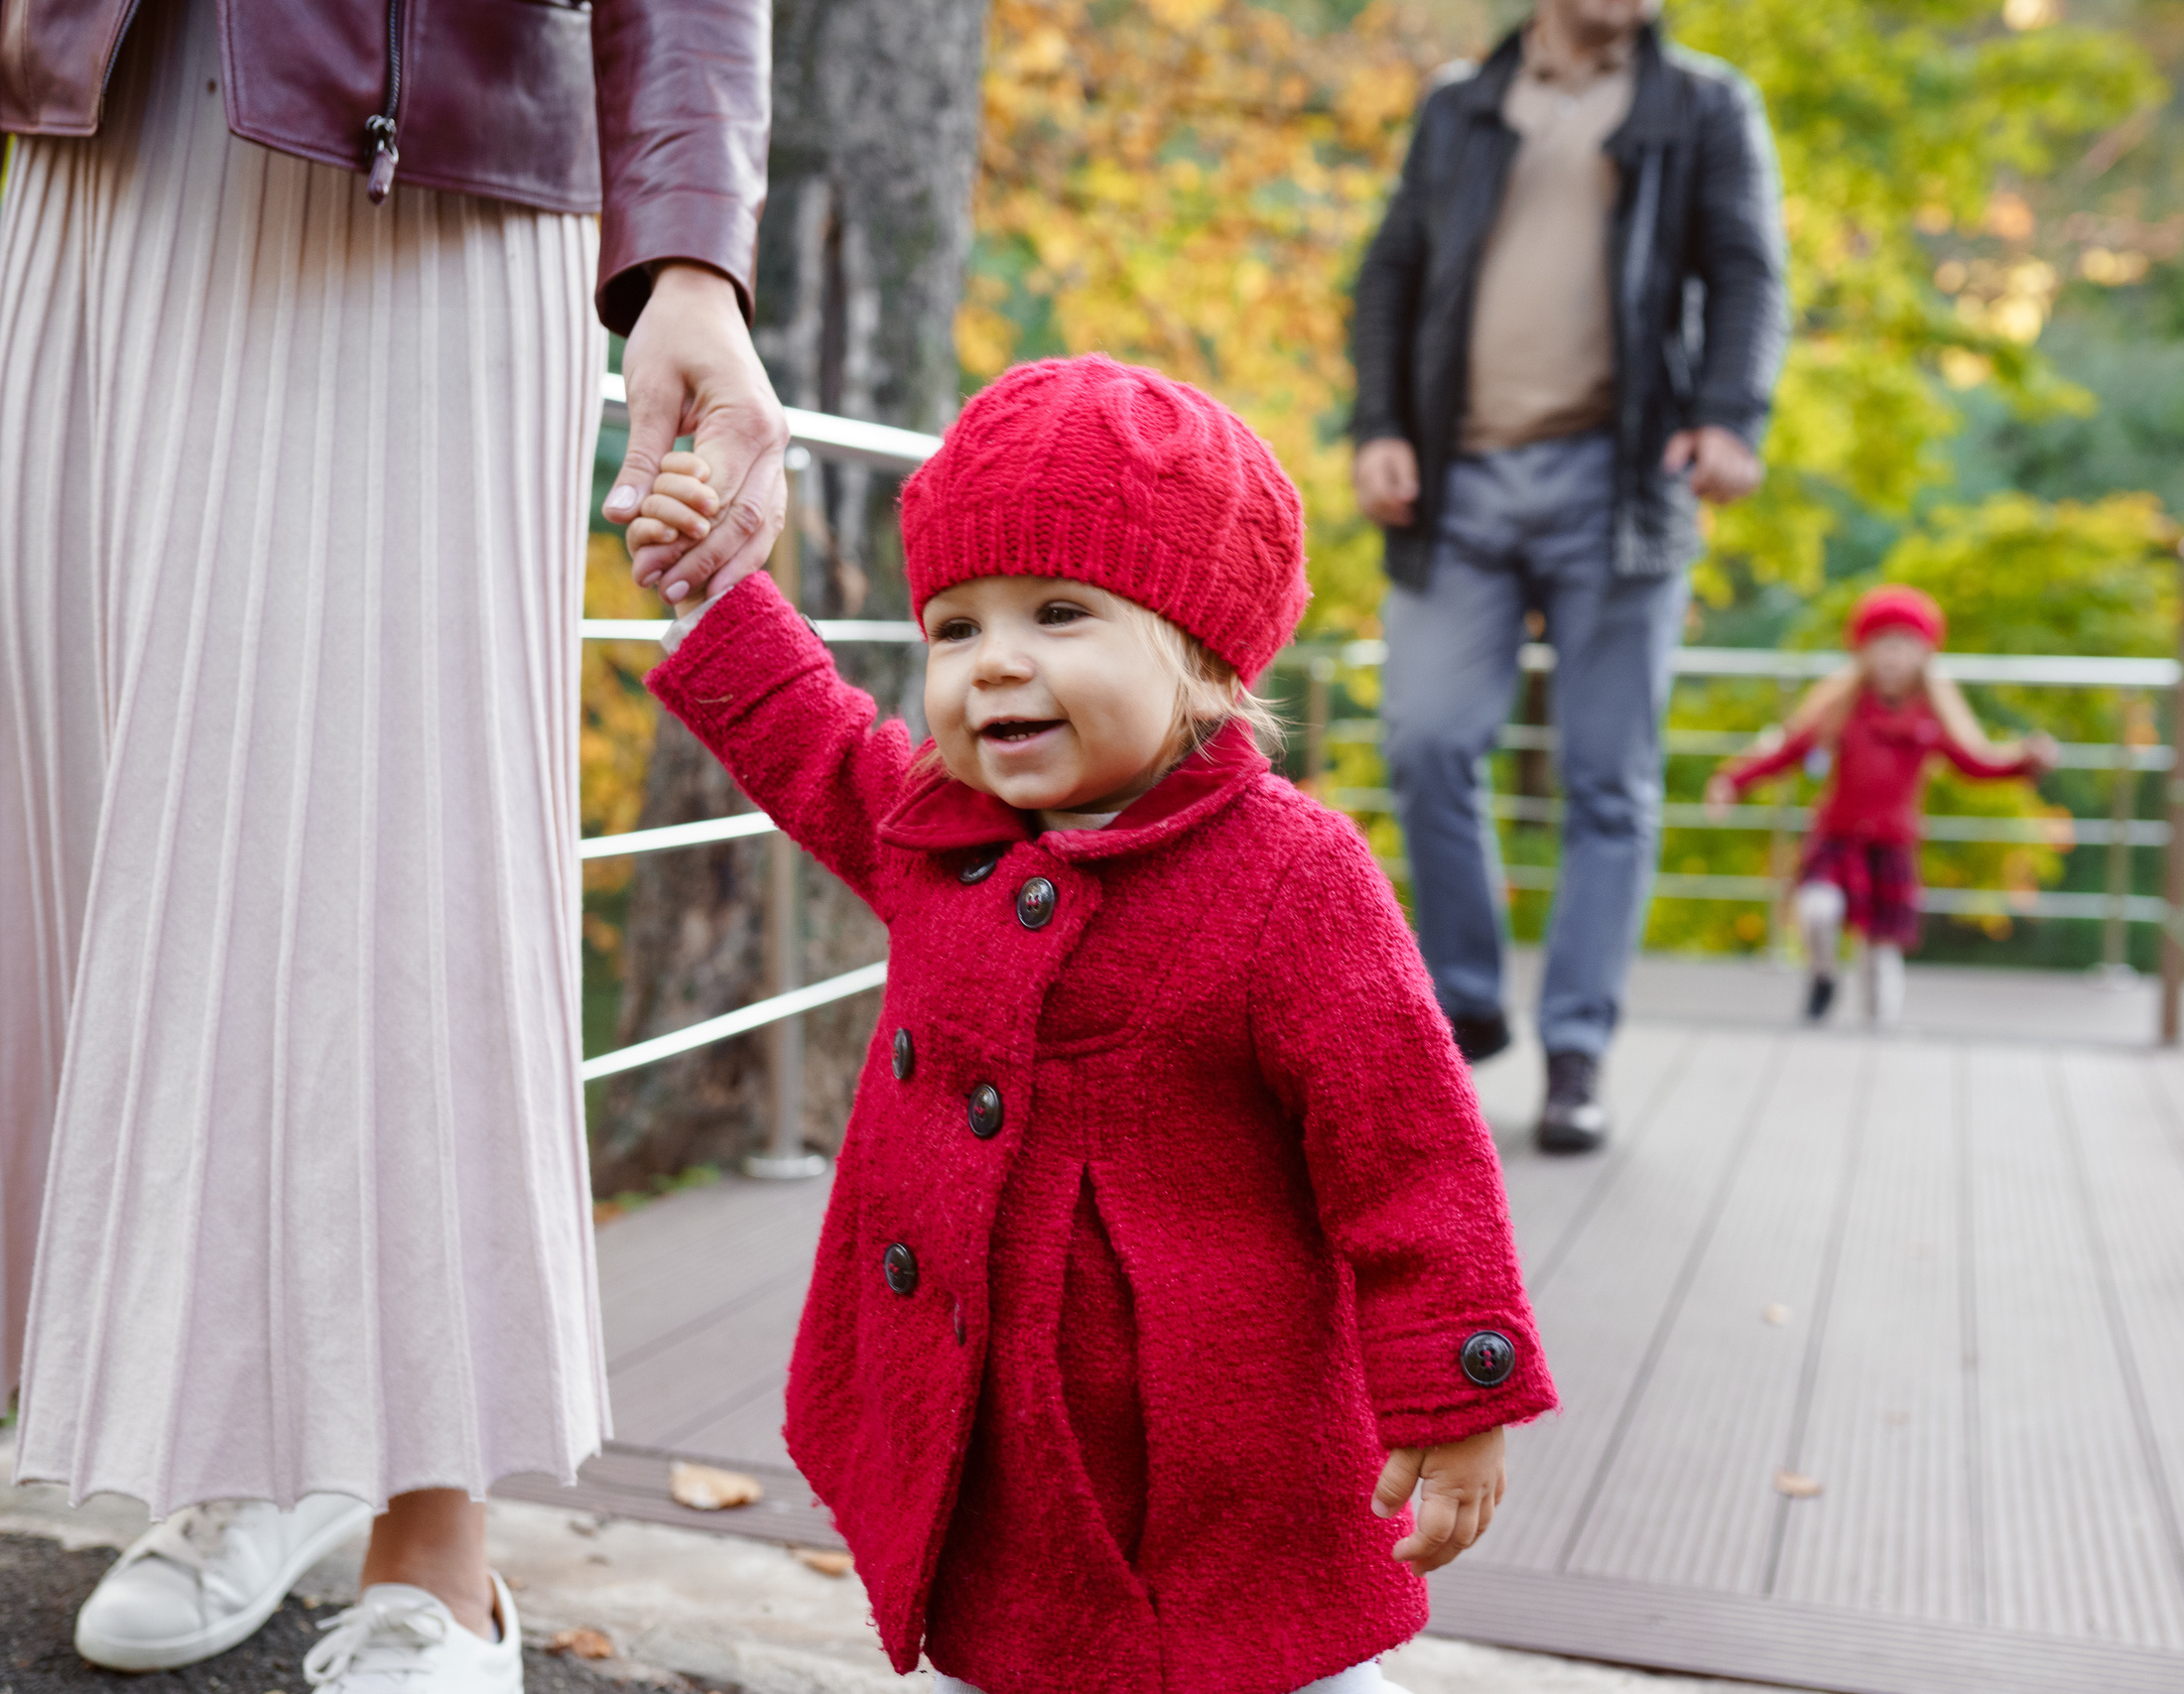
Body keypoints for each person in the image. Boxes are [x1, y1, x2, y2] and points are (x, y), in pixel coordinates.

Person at [0, 0, 782, 1684]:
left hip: (440, 163)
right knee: (122, 805)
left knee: (411, 818)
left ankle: (437, 1541)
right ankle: (251, 1437)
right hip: (107, 158)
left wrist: (692, 254)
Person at [628, 355, 1557, 1694]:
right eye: (954, 628)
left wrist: (1455, 1389)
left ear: (1200, 655)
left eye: (1059, 612)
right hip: (997, 1403)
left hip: (1216, 1444)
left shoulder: (1292, 872)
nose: (995, 661)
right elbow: (819, 743)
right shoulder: (941, 830)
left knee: (1262, 1652)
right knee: (1008, 1624)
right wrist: (713, 589)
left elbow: (1409, 1147)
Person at [1349, 0, 1789, 1155]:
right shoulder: (1462, 104)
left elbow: (1747, 271)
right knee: (1427, 738)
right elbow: (1391, 272)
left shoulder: (1700, 105)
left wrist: (1731, 416)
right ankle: (1468, 999)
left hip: (1621, 482)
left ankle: (1578, 1048)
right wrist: (1380, 423)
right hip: (1459, 479)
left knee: (1609, 780)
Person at [1707, 586, 2059, 1028]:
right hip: (1837, 835)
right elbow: (1789, 750)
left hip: (1891, 843)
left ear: (1924, 655)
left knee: (1880, 949)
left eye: (1905, 646)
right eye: (1883, 645)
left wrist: (2024, 762)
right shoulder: (1842, 709)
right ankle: (1823, 975)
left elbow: (1975, 763)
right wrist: (1733, 781)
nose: (1893, 658)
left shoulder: (1931, 716)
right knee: (1817, 911)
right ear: (1864, 652)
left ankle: (1879, 1029)